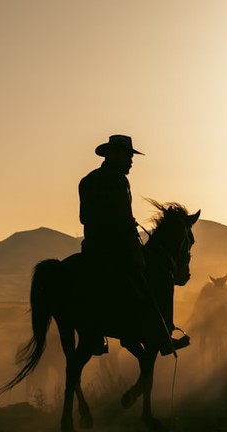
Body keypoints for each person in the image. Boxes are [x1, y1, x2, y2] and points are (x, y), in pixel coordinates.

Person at [78, 134, 189, 355]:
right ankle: (162, 334)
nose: (131, 161)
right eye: (128, 156)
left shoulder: (88, 180)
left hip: (91, 246)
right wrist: (130, 234)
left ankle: (95, 335)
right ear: (114, 154)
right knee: (159, 278)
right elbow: (121, 218)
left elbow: (84, 217)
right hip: (116, 246)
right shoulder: (119, 180)